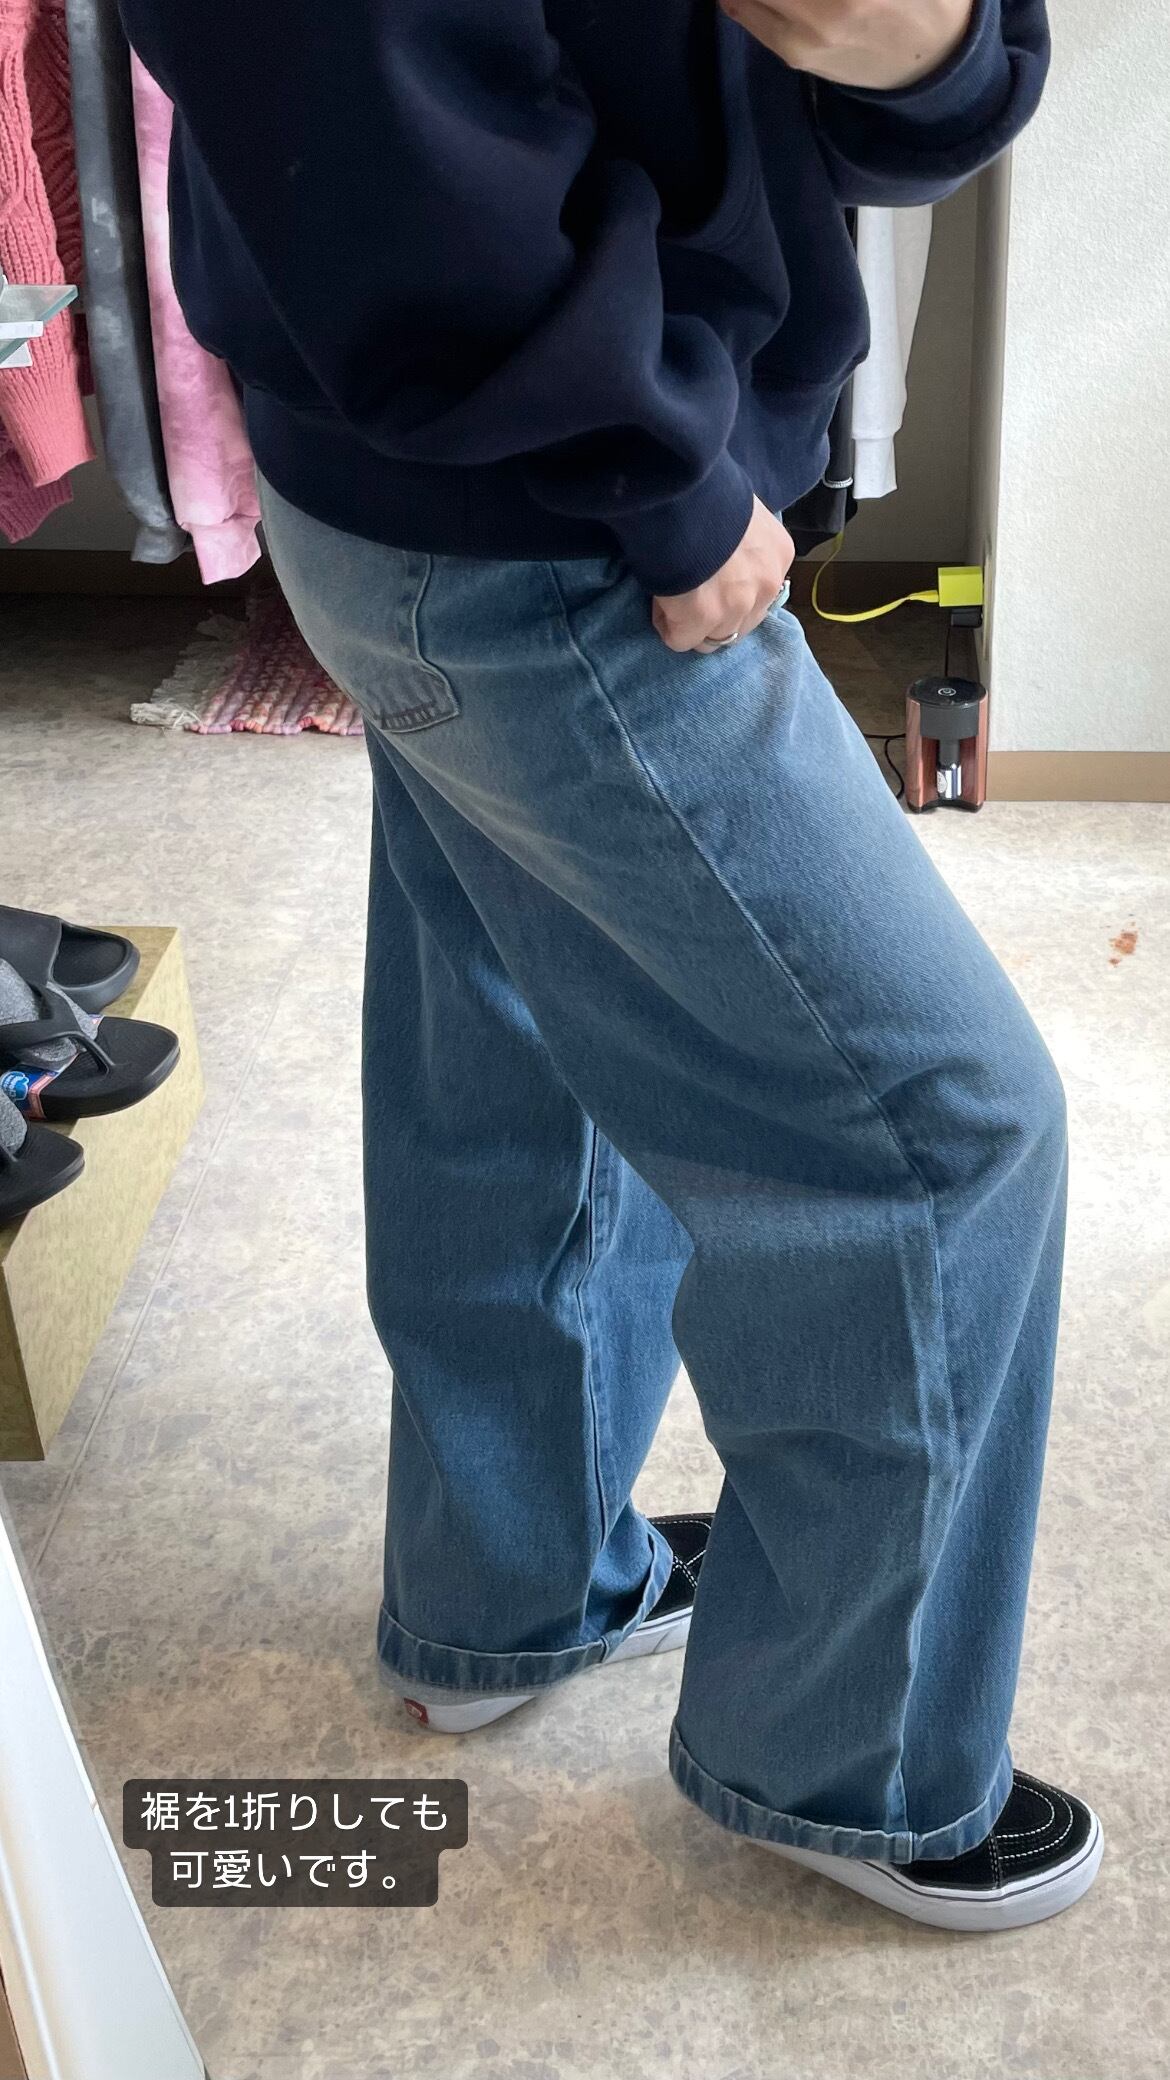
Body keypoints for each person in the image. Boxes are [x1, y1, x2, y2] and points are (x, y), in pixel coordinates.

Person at [118, 0, 1103, 1930]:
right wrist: (657, 470)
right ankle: (851, 1769)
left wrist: (931, 56)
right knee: (939, 1139)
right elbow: (361, 132)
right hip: (549, 520)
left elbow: (858, 84)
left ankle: (509, 1595)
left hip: (463, 488)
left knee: (519, 1035)